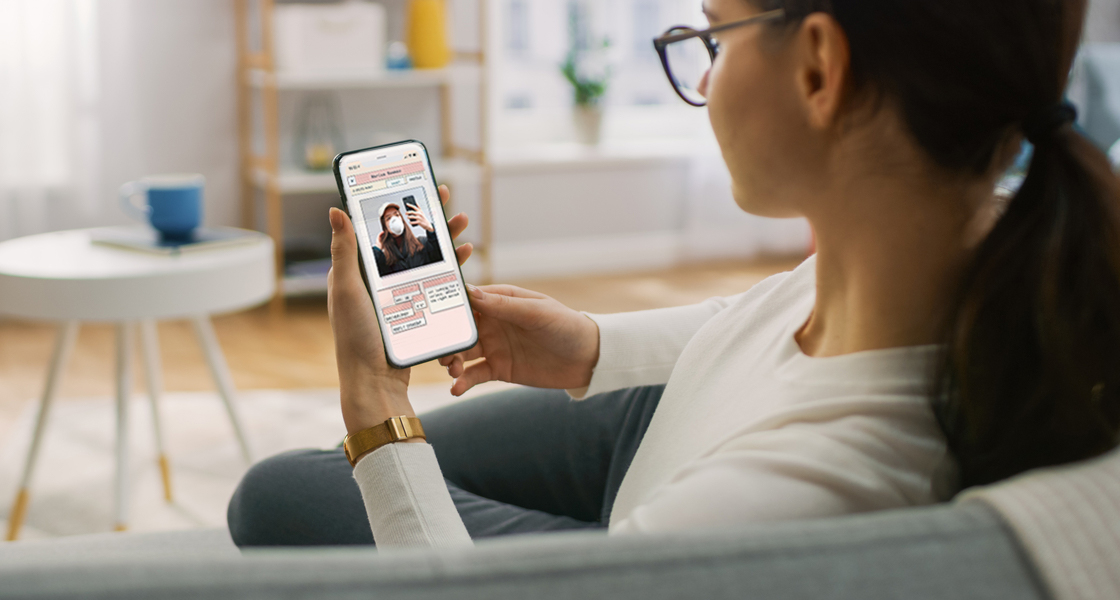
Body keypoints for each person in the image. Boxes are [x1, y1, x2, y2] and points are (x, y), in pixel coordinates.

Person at [229, 0, 1120, 581]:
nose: (700, 75)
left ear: (818, 69)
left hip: (668, 511)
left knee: (281, 494)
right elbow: (762, 314)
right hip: (677, 417)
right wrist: (589, 344)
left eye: (709, 36)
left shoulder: (809, 485)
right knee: (301, 487)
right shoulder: (962, 246)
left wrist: (378, 401)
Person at [372, 201, 443, 277]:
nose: (394, 219)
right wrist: (377, 250)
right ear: (385, 227)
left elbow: (441, 257)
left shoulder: (422, 243)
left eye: (397, 215)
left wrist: (430, 229)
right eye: (388, 218)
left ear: (402, 219)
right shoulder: (385, 259)